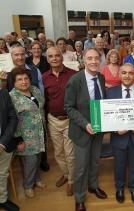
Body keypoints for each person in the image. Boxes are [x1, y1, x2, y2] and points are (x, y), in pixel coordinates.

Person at [64, 48, 107, 211]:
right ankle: (80, 197)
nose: (93, 61)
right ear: (83, 60)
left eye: (96, 58)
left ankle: (93, 186)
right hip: (82, 131)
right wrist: (85, 124)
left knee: (95, 161)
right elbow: (68, 107)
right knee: (81, 167)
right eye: (89, 58)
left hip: (98, 130)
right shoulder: (75, 80)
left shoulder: (101, 78)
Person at [107, 63, 134, 204]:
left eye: (130, 73)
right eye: (124, 73)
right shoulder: (110, 92)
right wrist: (114, 128)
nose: (127, 76)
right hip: (119, 137)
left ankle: (133, 188)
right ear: (119, 75)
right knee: (119, 164)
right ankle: (119, 188)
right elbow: (107, 116)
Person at [43, 47, 77, 196]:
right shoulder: (43, 77)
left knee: (70, 153)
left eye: (57, 55)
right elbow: (43, 100)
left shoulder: (73, 74)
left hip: (70, 119)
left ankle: (72, 181)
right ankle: (66, 174)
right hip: (53, 120)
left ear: (62, 57)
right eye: (51, 56)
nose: (55, 58)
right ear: (47, 59)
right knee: (58, 152)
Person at [9, 67, 47, 198]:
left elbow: (41, 107)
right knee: (29, 162)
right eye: (19, 79)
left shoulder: (35, 90)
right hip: (25, 137)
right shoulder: (12, 97)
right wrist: (18, 140)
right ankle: (28, 185)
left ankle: (37, 180)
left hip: (39, 133)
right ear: (14, 82)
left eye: (26, 78)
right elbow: (11, 121)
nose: (24, 82)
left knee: (38, 159)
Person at [0, 89, 19, 211]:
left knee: (2, 174)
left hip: (3, 143)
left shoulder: (3, 93)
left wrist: (2, 143)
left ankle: (2, 200)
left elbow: (13, 118)